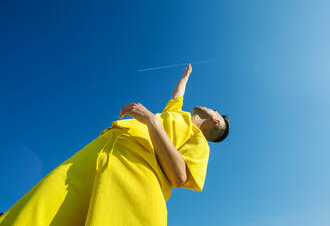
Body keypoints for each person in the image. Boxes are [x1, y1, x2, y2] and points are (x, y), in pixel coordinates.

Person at [0, 63, 230, 225]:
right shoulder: (176, 114)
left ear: (215, 119)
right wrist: (185, 78)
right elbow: (176, 96)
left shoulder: (199, 142)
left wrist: (151, 121)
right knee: (37, 211)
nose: (210, 106)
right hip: (98, 153)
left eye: (215, 109)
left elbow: (179, 176)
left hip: (134, 175)